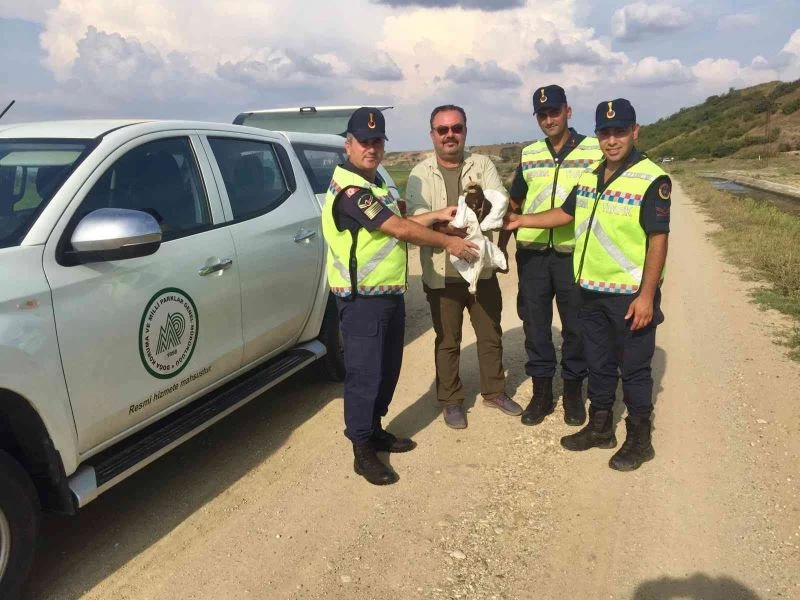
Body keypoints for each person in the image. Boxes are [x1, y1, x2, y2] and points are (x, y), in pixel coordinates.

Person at [503, 98, 670, 471]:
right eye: (605, 133)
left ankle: (640, 440)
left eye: (620, 132)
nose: (612, 140)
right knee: (599, 363)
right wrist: (520, 221)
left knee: (635, 369)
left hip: (629, 294)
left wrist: (647, 295)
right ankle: (600, 427)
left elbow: (658, 239)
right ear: (598, 135)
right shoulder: (590, 176)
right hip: (590, 289)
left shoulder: (651, 178)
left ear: (635, 131)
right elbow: (564, 214)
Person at [321, 107, 479, 485]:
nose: (371, 148)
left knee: (386, 369)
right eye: (364, 141)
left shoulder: (374, 184)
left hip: (387, 293)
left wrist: (436, 214)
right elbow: (398, 229)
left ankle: (375, 430)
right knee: (364, 375)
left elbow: (398, 224)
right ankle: (362, 449)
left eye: (377, 141)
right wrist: (448, 242)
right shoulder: (352, 191)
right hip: (362, 300)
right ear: (348, 144)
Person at [405, 105, 522, 430]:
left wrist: (455, 224)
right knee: (447, 340)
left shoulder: (482, 164)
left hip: (481, 268)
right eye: (442, 130)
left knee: (490, 333)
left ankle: (494, 392)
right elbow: (416, 219)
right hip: (441, 272)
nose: (450, 135)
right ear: (432, 135)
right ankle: (451, 400)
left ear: (465, 131)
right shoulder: (419, 173)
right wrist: (449, 232)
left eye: (456, 128)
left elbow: (498, 203)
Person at [499, 85, 603, 428]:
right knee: (535, 326)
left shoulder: (594, 150)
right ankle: (541, 393)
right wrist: (501, 246)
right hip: (532, 254)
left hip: (573, 253)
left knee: (576, 327)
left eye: (554, 112)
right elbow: (514, 202)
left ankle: (573, 392)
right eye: (542, 114)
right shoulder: (530, 153)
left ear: (568, 111)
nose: (548, 119)